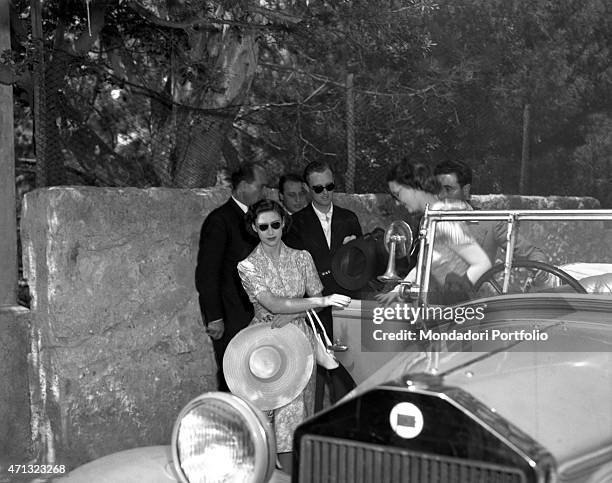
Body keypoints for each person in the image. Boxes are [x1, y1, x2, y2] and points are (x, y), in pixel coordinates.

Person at [237, 199, 351, 474]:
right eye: (263, 226)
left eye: (275, 224)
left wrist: (295, 314)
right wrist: (321, 302)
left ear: (283, 223)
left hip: (300, 341)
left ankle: (292, 475)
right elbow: (274, 304)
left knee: (296, 412)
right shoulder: (247, 266)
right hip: (264, 343)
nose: (270, 231)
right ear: (254, 228)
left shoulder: (302, 258)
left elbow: (309, 294)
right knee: (262, 414)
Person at [284, 161, 362, 411]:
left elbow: (361, 263)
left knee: (346, 376)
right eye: (318, 189)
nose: (325, 192)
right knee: (313, 378)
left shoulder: (349, 218)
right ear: (308, 189)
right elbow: (294, 270)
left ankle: (346, 431)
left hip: (346, 306)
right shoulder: (295, 223)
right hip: (314, 310)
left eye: (330, 186)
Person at [377, 158, 492, 305]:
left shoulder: (444, 218)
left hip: (454, 313)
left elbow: (481, 263)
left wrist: (457, 298)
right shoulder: (430, 218)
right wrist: (400, 288)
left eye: (398, 194)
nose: (397, 202)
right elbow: (425, 264)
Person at [195, 162, 267, 392]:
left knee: (259, 377)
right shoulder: (220, 220)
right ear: (244, 186)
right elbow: (207, 272)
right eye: (260, 186)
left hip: (259, 313)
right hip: (232, 315)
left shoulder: (261, 219)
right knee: (234, 376)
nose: (263, 192)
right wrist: (214, 317)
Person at [434, 159, 548, 266]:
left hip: (475, 286)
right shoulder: (427, 222)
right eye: (437, 189)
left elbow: (531, 254)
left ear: (465, 190)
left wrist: (539, 268)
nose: (441, 195)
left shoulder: (490, 223)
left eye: (448, 189)